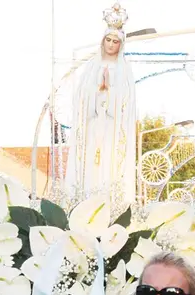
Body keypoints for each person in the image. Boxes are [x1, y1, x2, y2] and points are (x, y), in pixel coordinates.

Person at [65, 2, 137, 205]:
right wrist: (98, 90)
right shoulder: (91, 67)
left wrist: (110, 90)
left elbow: (127, 104)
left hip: (113, 132)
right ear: (102, 41)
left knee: (109, 169)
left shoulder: (124, 71)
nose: (111, 44)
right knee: (88, 169)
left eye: (115, 41)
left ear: (120, 45)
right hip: (92, 127)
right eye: (108, 39)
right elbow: (80, 98)